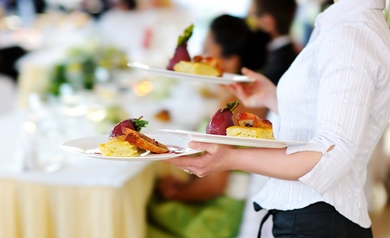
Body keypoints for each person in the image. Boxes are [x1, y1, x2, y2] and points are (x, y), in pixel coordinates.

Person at [166, 0, 390, 237]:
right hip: (312, 218)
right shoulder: (343, 26)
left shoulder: (350, 34)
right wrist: (273, 98)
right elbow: (325, 124)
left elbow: (331, 154)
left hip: (314, 223)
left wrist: (230, 158)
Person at [147, 14, 270, 238]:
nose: (199, 57)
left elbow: (214, 186)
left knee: (142, 216)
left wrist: (175, 193)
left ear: (230, 59)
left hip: (219, 215)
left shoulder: (231, 107)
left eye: (207, 51)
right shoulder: (254, 97)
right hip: (231, 205)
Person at [248, 0, 298, 86]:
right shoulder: (293, 53)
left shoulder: (277, 65)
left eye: (253, 15)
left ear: (267, 22)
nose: (250, 20)